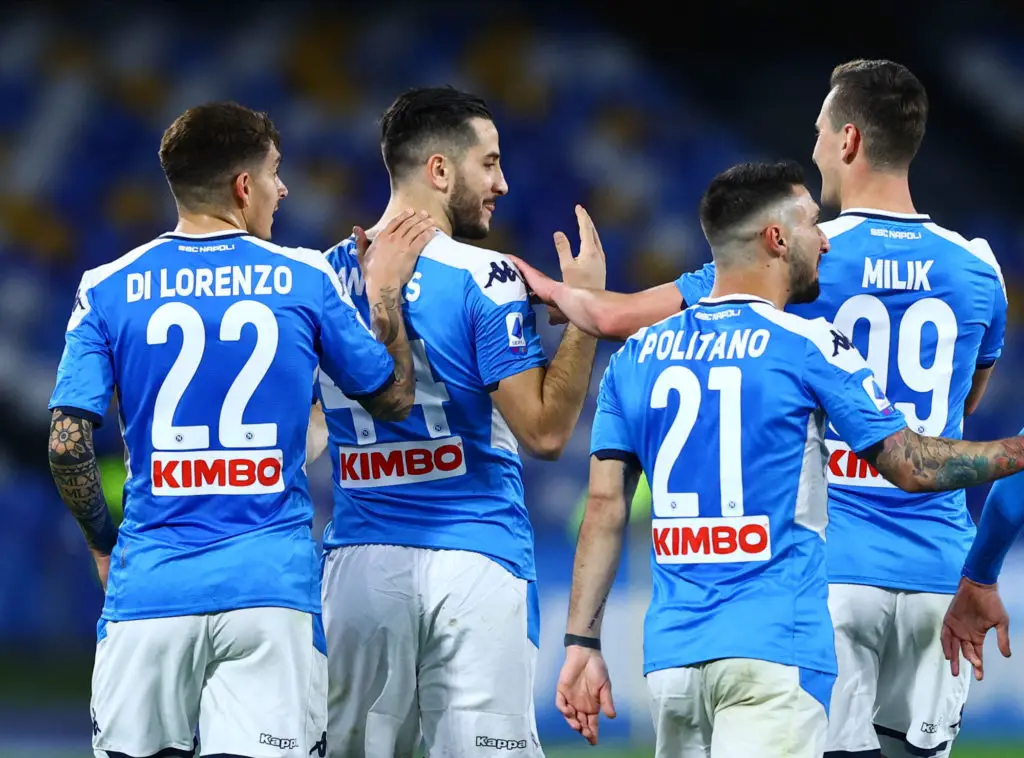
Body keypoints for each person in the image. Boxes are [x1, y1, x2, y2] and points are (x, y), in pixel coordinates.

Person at [517, 59, 1007, 758]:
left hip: (829, 573)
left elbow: (612, 317)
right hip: (937, 566)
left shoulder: (801, 264)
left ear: (847, 141)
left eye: (819, 131)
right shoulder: (980, 269)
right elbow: (963, 407)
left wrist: (557, 290)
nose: (813, 147)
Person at [46, 101, 432, 758]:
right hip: (269, 593)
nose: (284, 189)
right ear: (244, 186)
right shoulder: (304, 277)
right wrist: (386, 294)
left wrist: (104, 543)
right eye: (276, 173)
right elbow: (395, 399)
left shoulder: (105, 288)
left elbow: (67, 445)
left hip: (150, 588)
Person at [310, 86, 604, 757]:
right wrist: (584, 312)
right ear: (439, 170)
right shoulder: (485, 275)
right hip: (476, 560)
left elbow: (306, 428)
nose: (502, 184)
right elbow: (545, 433)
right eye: (490, 163)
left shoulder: (318, 278)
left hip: (359, 566)